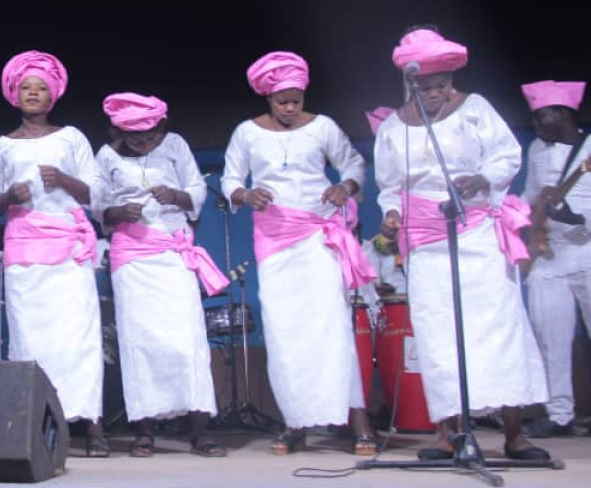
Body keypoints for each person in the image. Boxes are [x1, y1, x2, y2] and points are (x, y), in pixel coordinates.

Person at [374, 29, 549, 460]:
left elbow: (507, 155)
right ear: (410, 84)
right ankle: (447, 436)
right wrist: (392, 213)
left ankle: (513, 434)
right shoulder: (395, 126)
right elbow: (389, 185)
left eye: (442, 86)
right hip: (427, 243)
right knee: (438, 336)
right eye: (426, 87)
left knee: (497, 328)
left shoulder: (475, 109)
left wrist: (483, 179)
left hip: (475, 232)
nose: (435, 94)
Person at [222, 52, 377, 455]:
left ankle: (359, 421)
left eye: (296, 99)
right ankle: (296, 423)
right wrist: (245, 194)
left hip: (317, 235)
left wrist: (345, 188)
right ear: (267, 98)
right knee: (283, 331)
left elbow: (354, 166)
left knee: (332, 328)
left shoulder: (323, 127)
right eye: (282, 101)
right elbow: (230, 179)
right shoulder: (247, 133)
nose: (290, 108)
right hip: (274, 240)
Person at [0, 51, 108, 456]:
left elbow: (98, 195)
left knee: (79, 338)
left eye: (41, 89)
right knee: (29, 339)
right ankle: (37, 423)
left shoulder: (72, 139)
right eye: (26, 88)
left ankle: (92, 424)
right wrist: (7, 197)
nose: (33, 94)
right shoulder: (0, 147)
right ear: (14, 96)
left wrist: (65, 179)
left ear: (53, 97)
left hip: (68, 252)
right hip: (25, 252)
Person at [93, 92, 229, 457]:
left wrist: (178, 196)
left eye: (151, 135)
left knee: (189, 340)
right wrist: (118, 212)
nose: (144, 142)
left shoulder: (175, 146)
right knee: (139, 343)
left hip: (172, 253)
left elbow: (198, 189)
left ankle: (199, 430)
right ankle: (144, 430)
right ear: (117, 131)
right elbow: (97, 204)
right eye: (135, 136)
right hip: (132, 258)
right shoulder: (105, 157)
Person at [518, 80, 591, 438]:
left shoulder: (589, 149)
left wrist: (578, 218)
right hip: (549, 255)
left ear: (562, 114)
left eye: (540, 117)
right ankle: (559, 413)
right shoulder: (535, 150)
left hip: (587, 250)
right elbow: (531, 196)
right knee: (551, 336)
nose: (535, 125)